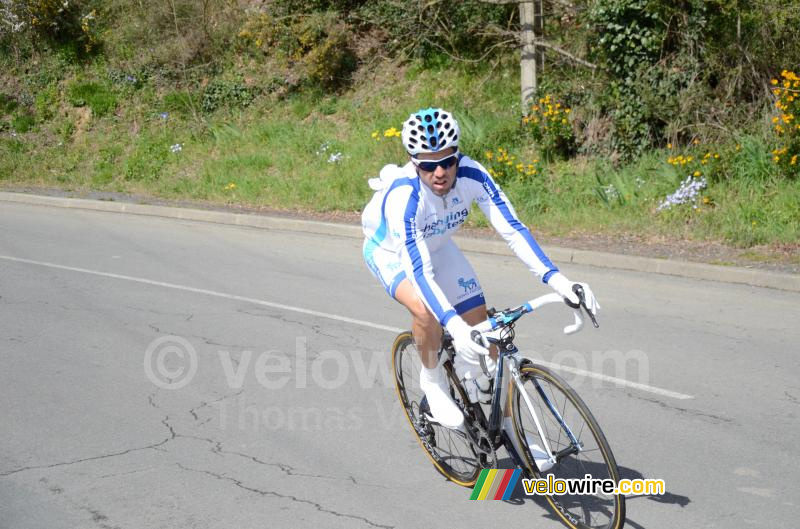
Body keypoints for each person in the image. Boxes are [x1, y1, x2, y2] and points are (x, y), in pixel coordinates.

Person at [361, 107, 599, 432]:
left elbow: (513, 230)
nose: (440, 172)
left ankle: (516, 437)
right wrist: (453, 325)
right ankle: (432, 380)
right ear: (414, 162)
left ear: (458, 155)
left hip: (439, 246)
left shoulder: (473, 175)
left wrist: (559, 281)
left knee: (485, 332)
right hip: (391, 252)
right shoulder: (405, 198)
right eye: (429, 166)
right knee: (426, 313)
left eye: (448, 161)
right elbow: (419, 272)